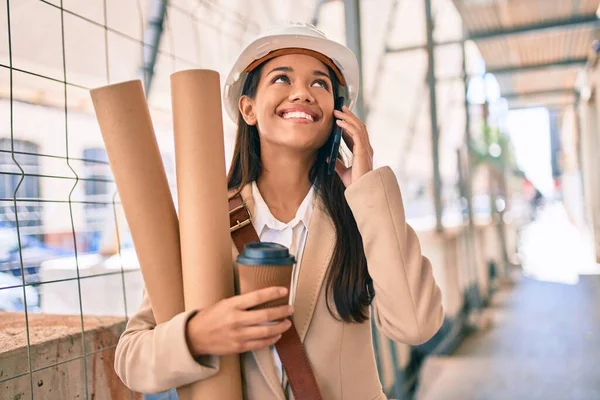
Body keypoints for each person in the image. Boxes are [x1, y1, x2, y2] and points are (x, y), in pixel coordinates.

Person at [114, 22, 444, 400]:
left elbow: (417, 326)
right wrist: (196, 335)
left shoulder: (361, 213)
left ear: (338, 115)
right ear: (249, 109)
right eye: (282, 79)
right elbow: (130, 360)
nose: (302, 92)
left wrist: (367, 187)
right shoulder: (204, 223)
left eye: (320, 84)